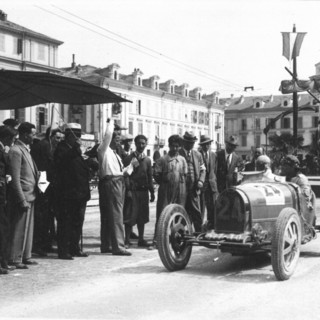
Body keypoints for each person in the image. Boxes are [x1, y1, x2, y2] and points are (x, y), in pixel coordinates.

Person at [54, 123, 91, 260]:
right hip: (68, 194)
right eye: (76, 136)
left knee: (77, 222)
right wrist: (76, 148)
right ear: (68, 136)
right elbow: (63, 162)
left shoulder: (75, 150)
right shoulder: (62, 148)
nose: (78, 139)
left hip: (79, 194)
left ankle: (74, 248)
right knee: (66, 223)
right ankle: (64, 250)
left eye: (79, 136)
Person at [97, 119, 131, 256]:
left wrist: (132, 167)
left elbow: (121, 172)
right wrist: (111, 123)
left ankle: (106, 244)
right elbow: (108, 135)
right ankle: (119, 246)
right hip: (111, 183)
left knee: (107, 215)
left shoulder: (115, 154)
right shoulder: (103, 150)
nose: (119, 141)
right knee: (117, 215)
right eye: (116, 138)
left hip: (116, 181)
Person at [7, 122, 39, 269]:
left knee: (28, 229)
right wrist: (21, 198)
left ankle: (26, 255)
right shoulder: (16, 151)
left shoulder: (25, 149)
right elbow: (15, 177)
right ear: (25, 134)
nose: (34, 136)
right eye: (33, 133)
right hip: (23, 195)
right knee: (19, 229)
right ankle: (15, 258)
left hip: (30, 194)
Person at [30, 127, 62, 256]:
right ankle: (39, 245)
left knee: (48, 218)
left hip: (50, 187)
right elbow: (42, 168)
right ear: (51, 136)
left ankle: (46, 243)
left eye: (61, 138)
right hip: (43, 186)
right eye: (57, 138)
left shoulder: (51, 147)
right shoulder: (44, 146)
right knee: (42, 217)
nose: (59, 141)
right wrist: (43, 188)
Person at [123, 135, 155, 247]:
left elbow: (149, 177)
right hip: (133, 191)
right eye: (139, 143)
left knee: (142, 216)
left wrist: (152, 192)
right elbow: (126, 176)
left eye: (143, 143)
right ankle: (127, 240)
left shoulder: (147, 160)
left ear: (146, 144)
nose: (141, 146)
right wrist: (128, 190)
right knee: (130, 215)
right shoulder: (129, 158)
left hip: (143, 192)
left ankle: (141, 239)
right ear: (135, 144)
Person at [154, 134, 187, 223]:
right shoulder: (162, 160)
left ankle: (177, 233)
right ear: (169, 146)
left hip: (180, 190)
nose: (175, 149)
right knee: (163, 213)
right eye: (173, 146)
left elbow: (185, 174)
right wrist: (165, 182)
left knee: (179, 211)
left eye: (177, 146)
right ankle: (159, 235)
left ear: (180, 147)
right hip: (165, 190)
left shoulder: (182, 160)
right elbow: (156, 175)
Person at [179, 131, 206, 232]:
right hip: (182, 190)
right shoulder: (178, 153)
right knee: (182, 211)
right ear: (184, 142)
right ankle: (181, 233)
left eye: (192, 143)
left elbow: (203, 169)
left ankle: (199, 233)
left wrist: (201, 181)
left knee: (196, 212)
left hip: (194, 189)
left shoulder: (198, 155)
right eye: (188, 142)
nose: (191, 144)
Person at [280, 155, 315, 228]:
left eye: (286, 165)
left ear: (293, 167)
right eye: (282, 165)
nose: (282, 168)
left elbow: (305, 199)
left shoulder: (301, 179)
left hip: (300, 213)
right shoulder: (281, 178)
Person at [0, 125, 17, 274]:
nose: (13, 142)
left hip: (3, 195)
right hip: (0, 195)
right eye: (12, 139)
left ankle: (3, 262)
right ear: (5, 138)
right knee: (2, 229)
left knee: (4, 229)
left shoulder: (3, 149)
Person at [198, 135, 218, 228]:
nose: (206, 146)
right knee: (201, 208)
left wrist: (214, 182)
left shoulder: (214, 155)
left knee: (212, 208)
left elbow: (215, 170)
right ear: (201, 145)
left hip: (212, 186)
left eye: (208, 144)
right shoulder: (198, 155)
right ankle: (200, 227)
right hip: (202, 186)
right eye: (204, 144)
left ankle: (212, 226)